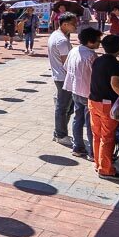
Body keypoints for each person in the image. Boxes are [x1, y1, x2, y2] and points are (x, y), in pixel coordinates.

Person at [89, 33, 119, 179]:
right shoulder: (116, 65)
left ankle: (98, 163)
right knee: (107, 137)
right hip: (107, 104)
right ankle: (105, 169)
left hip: (93, 101)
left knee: (97, 135)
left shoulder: (98, 60)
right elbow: (115, 84)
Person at [63, 27, 102, 159]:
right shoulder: (91, 55)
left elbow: (66, 67)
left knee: (78, 119)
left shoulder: (74, 50)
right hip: (88, 92)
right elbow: (98, 76)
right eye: (98, 41)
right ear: (90, 42)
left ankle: (78, 147)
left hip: (75, 89)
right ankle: (92, 152)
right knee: (90, 123)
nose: (99, 43)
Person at [48, 12, 79, 144]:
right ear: (65, 24)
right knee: (63, 107)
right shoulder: (61, 40)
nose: (76, 26)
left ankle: (59, 131)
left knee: (67, 106)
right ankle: (60, 134)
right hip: (64, 77)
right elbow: (67, 63)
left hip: (59, 75)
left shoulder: (56, 35)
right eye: (74, 24)